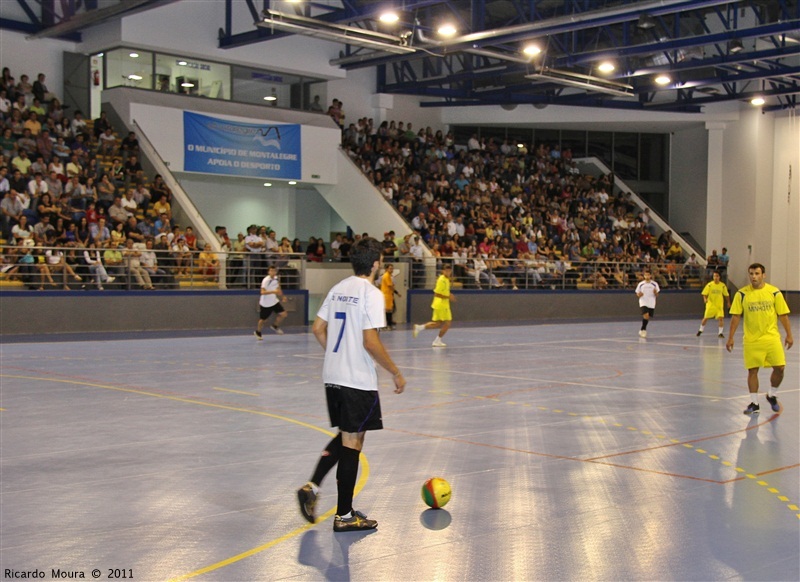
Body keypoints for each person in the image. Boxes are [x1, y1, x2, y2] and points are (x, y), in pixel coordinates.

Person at [297, 237, 405, 532]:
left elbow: (318, 328)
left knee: (347, 436)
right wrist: (395, 371)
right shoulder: (370, 293)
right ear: (375, 263)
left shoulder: (338, 288)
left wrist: (337, 354)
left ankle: (313, 487)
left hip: (333, 376)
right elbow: (371, 342)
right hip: (357, 379)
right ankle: (344, 515)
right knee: (354, 441)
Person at [726, 263, 793, 415]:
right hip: (752, 340)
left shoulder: (774, 292)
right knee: (752, 371)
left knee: (780, 368)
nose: (754, 277)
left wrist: (789, 334)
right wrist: (730, 337)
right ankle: (754, 403)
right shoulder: (742, 294)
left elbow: (783, 314)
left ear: (763, 275)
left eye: (757, 273)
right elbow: (736, 316)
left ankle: (771, 394)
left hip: (771, 338)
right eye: (751, 274)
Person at [412, 262, 456, 347]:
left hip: (442, 304)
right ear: (443, 271)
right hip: (441, 305)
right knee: (447, 323)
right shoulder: (441, 280)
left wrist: (449, 294)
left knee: (437, 323)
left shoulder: (446, 280)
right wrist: (448, 297)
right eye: (446, 271)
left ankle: (419, 328)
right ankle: (437, 341)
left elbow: (444, 291)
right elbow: (436, 294)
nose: (448, 272)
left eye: (449, 271)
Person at [254, 265, 287, 339]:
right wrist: (273, 291)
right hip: (266, 303)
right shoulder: (266, 280)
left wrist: (283, 296)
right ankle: (258, 332)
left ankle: (275, 326)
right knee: (263, 320)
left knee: (283, 314)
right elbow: (262, 292)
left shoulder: (276, 279)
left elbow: (278, 289)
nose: (273, 272)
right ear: (268, 272)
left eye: (274, 270)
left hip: (274, 301)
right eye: (271, 271)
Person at [697, 270, 731, 337]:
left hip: (719, 305)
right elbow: (704, 294)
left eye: (717, 276)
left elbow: (726, 295)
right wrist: (705, 299)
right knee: (706, 317)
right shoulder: (710, 285)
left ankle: (720, 333)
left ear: (719, 277)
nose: (715, 277)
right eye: (714, 276)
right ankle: (700, 330)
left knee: (721, 318)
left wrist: (728, 302)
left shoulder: (722, 286)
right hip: (711, 304)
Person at [635, 269, 659, 338]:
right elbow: (637, 293)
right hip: (643, 301)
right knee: (646, 315)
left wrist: (655, 293)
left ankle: (642, 329)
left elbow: (657, 294)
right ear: (644, 276)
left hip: (651, 302)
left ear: (650, 275)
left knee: (647, 317)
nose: (647, 276)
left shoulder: (654, 284)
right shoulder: (641, 284)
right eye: (646, 275)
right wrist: (639, 295)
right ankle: (644, 330)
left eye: (648, 275)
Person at [380, 263, 400, 330]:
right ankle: (387, 325)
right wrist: (397, 292)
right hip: (386, 295)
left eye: (392, 268)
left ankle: (388, 324)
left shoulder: (389, 276)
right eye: (390, 268)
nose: (392, 270)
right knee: (387, 310)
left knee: (389, 310)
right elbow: (390, 286)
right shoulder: (386, 276)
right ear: (386, 269)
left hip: (389, 295)